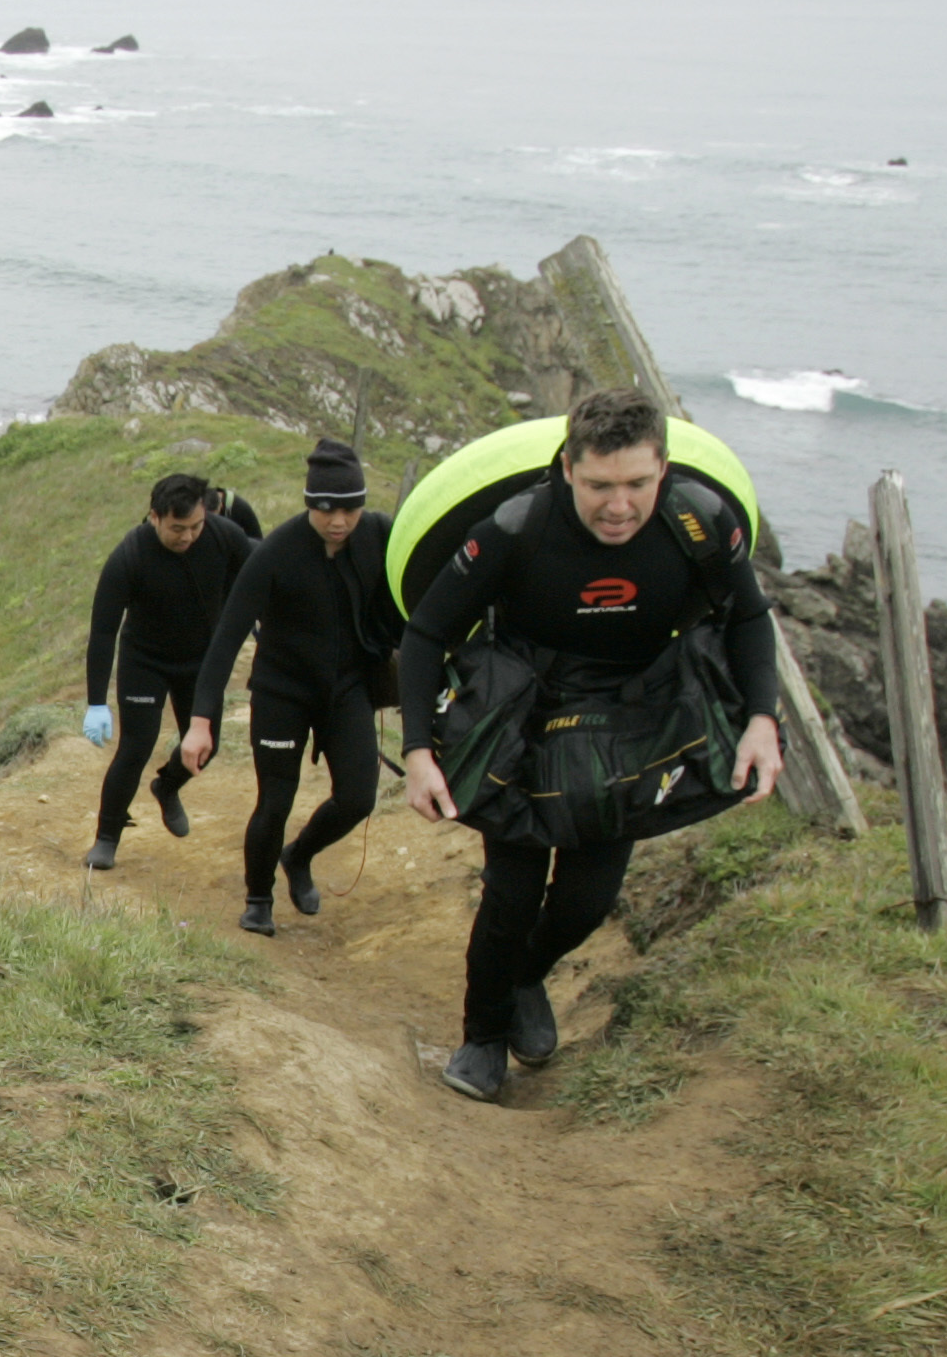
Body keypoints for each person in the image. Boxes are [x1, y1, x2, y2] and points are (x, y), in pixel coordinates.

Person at [399, 389, 783, 1101]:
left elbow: (748, 617)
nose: (618, 505)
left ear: (662, 468)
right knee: (511, 892)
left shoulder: (698, 519)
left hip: (633, 719)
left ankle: (523, 978)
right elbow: (424, 632)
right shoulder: (517, 527)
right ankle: (482, 1037)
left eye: (637, 483)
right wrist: (417, 749)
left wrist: (761, 717)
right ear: (567, 468)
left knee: (586, 899)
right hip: (522, 711)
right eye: (600, 485)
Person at [186, 439, 398, 936]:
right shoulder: (276, 553)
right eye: (326, 509)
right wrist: (200, 722)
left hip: (347, 688)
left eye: (350, 508)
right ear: (309, 504)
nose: (339, 521)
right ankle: (258, 897)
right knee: (275, 800)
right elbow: (226, 641)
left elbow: (423, 584)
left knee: (358, 798)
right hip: (282, 690)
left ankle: (298, 857)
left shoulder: (382, 534)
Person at [80, 473, 256, 869]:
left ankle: (167, 785)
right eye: (178, 529)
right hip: (146, 659)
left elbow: (256, 583)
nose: (188, 537)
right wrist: (96, 702)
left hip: (201, 661)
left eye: (196, 526)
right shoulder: (130, 555)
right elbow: (104, 631)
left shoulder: (225, 536)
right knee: (135, 746)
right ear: (155, 517)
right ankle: (107, 836)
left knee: (205, 746)